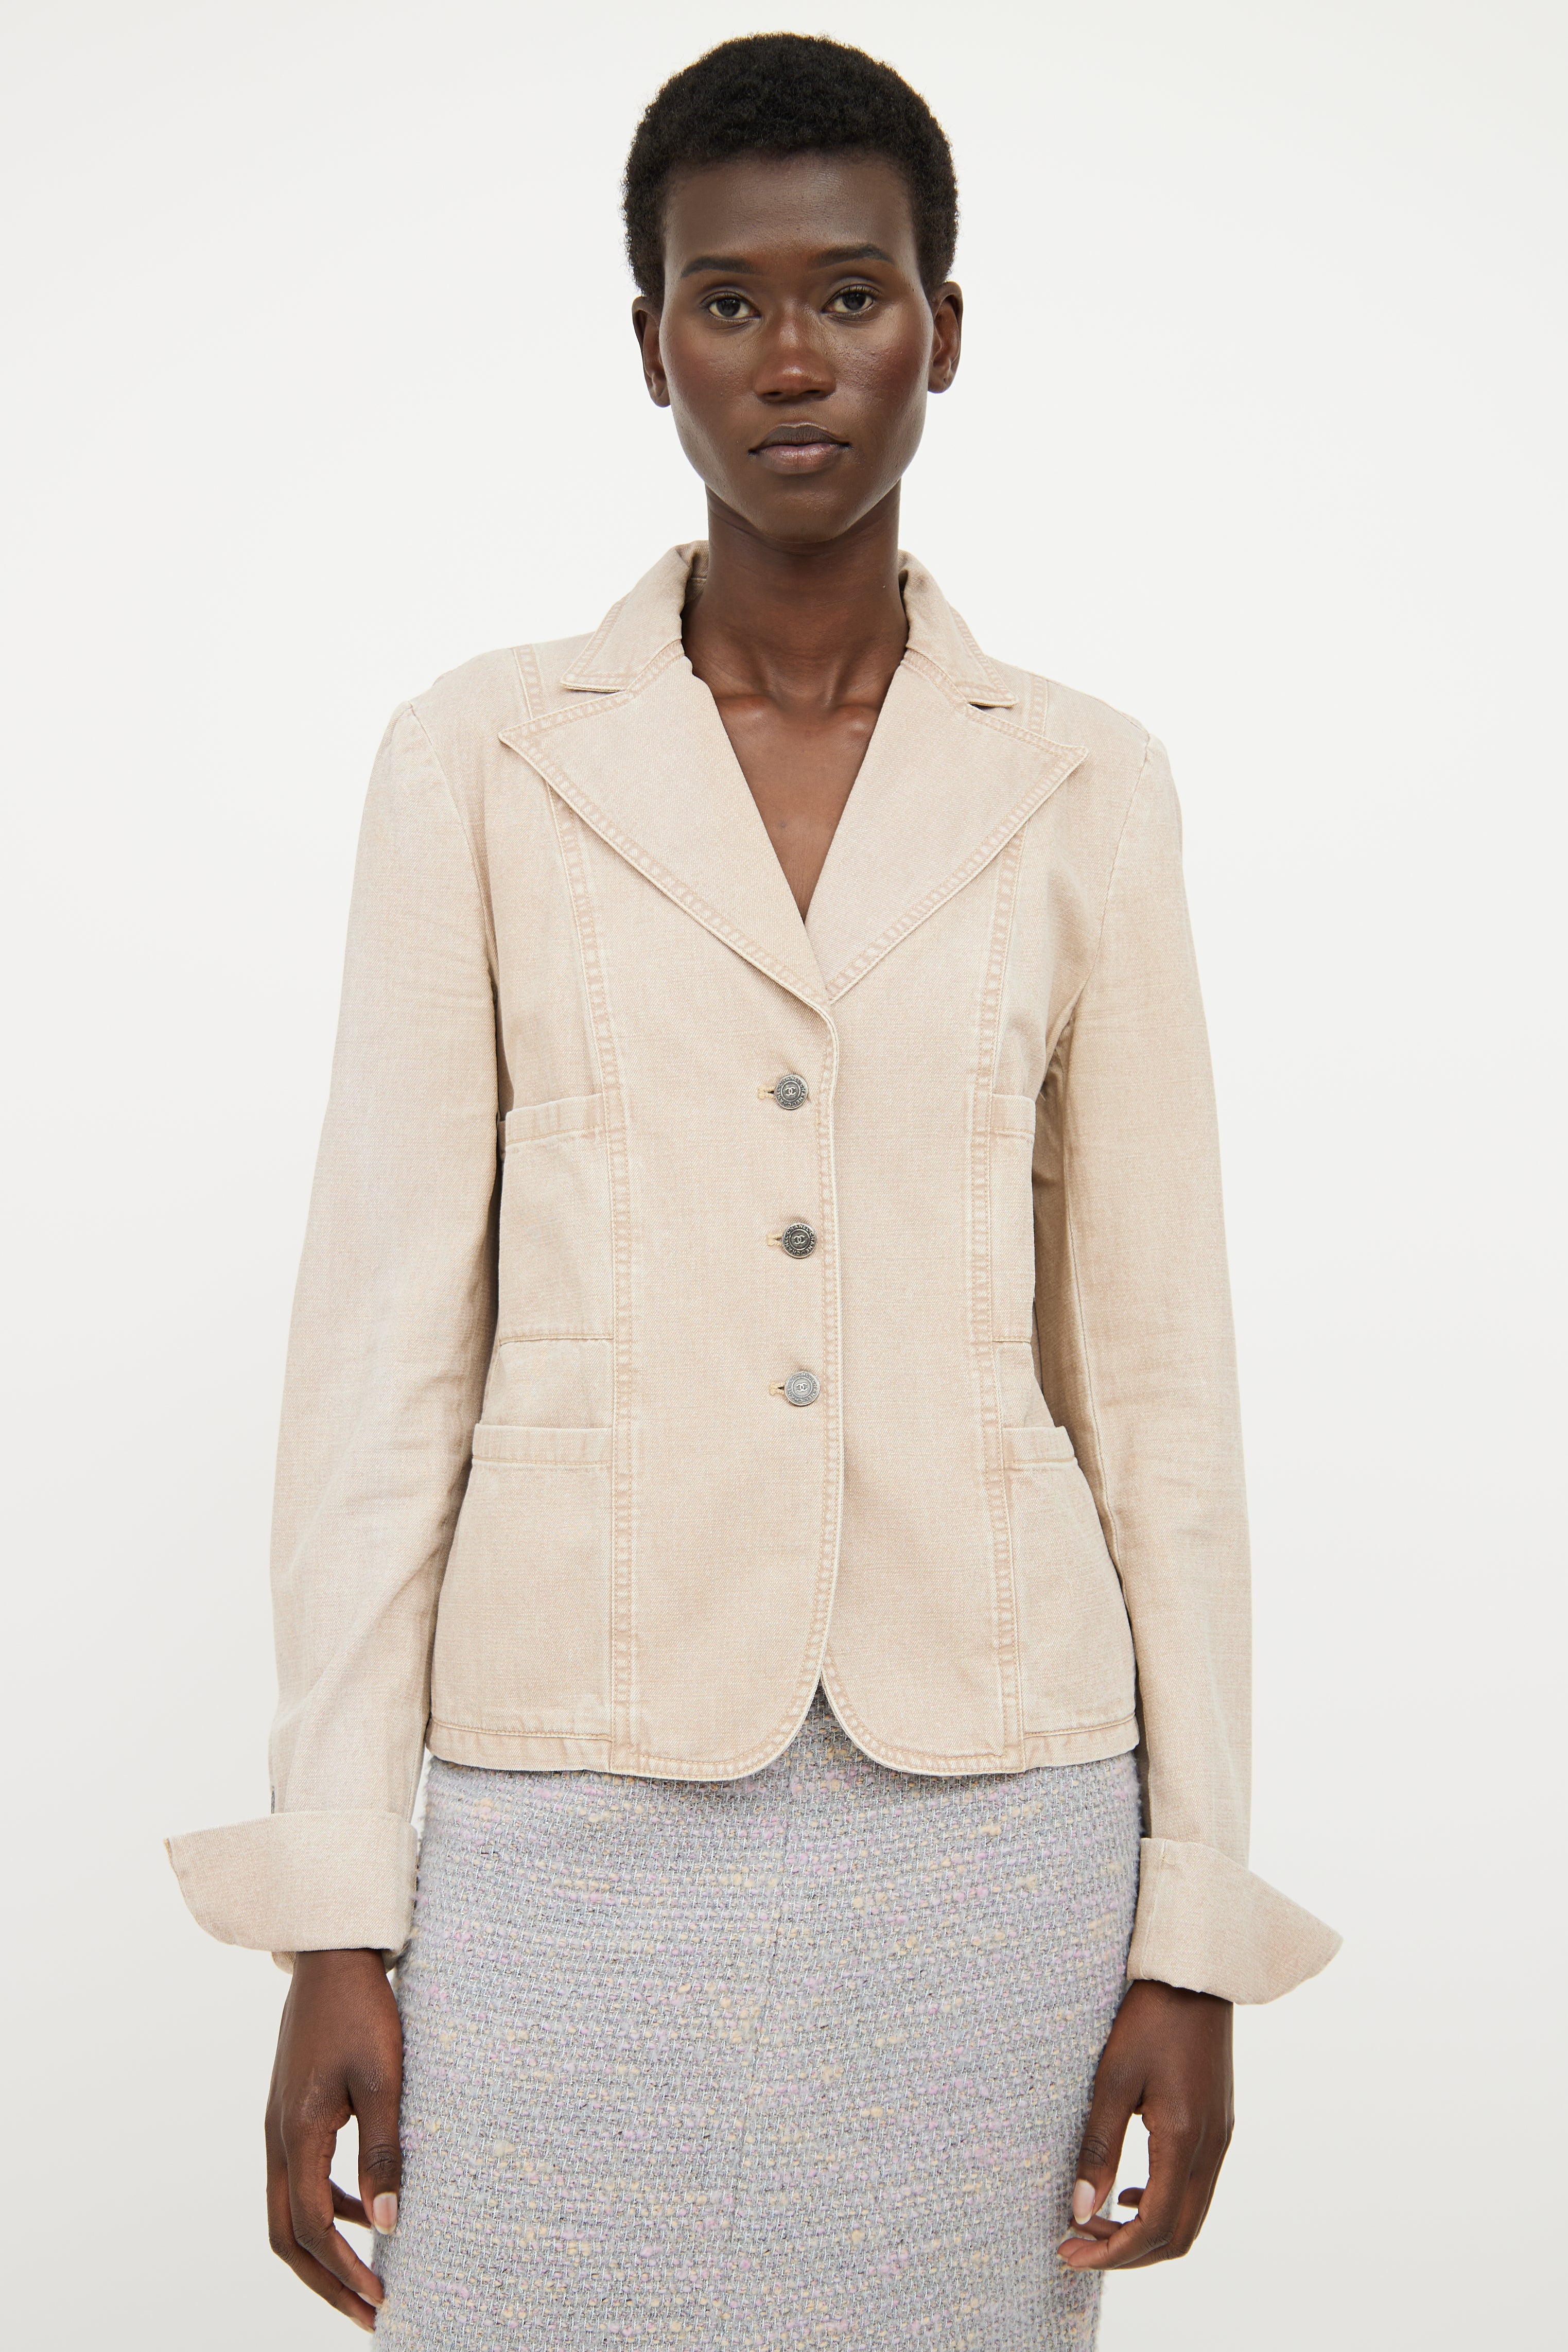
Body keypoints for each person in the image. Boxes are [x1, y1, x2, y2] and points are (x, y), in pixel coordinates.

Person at [168, 33, 1338, 2348]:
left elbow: (1158, 1380)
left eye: (852, 294)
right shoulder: (484, 760)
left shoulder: (1083, 784)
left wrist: (1190, 1928)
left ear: (945, 329)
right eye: (729, 301)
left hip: (995, 1807)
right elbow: (386, 1356)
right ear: (651, 345)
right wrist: (335, 1907)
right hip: (566, 1791)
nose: (792, 359)